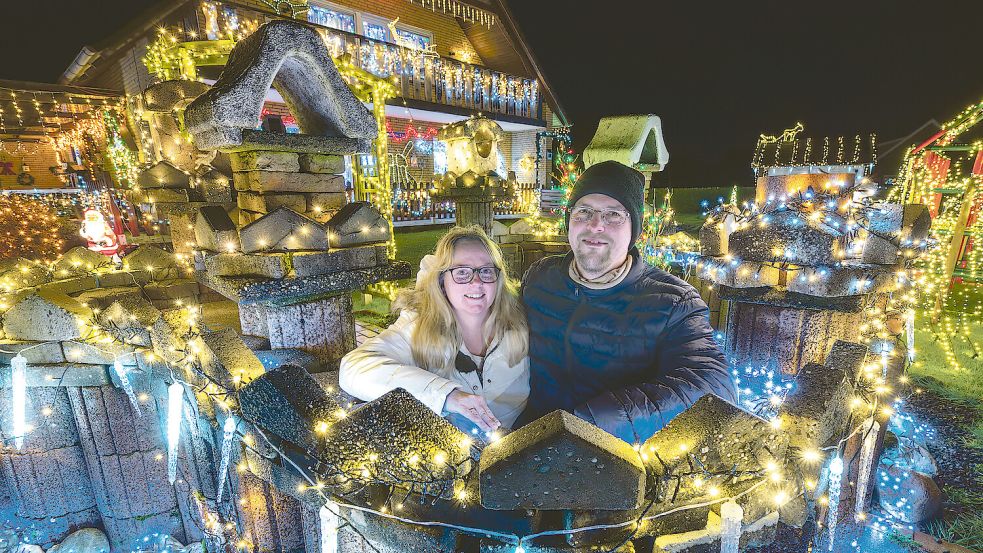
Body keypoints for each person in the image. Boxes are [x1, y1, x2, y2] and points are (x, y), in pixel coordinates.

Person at [517, 160, 737, 444]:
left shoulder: (673, 302)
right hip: (527, 442)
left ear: (634, 228)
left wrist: (594, 421)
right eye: (584, 211)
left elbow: (714, 385)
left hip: (614, 457)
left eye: (613, 215)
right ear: (569, 220)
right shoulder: (540, 277)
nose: (596, 225)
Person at [340, 225, 529, 434]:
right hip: (454, 457)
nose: (476, 282)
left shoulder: (521, 320)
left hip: (516, 447)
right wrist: (446, 395)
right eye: (462, 272)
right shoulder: (419, 326)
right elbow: (354, 369)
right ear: (442, 282)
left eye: (486, 271)